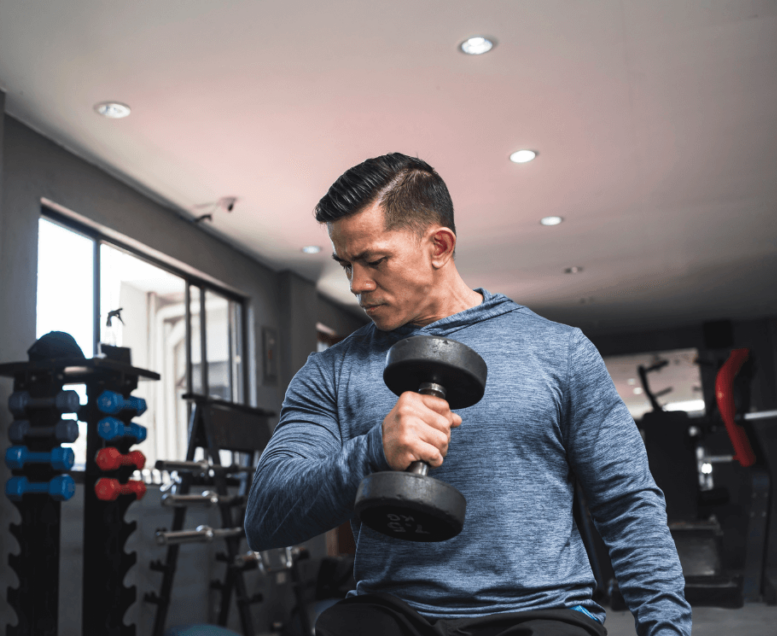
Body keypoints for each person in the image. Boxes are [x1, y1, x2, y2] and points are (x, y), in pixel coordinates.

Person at [243, 153, 691, 636]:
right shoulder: (330, 373)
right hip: (395, 612)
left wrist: (666, 627)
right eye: (346, 264)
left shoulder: (559, 351)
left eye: (374, 261)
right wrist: (372, 451)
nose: (357, 284)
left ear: (439, 245)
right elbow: (266, 517)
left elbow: (627, 502)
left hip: (540, 610)